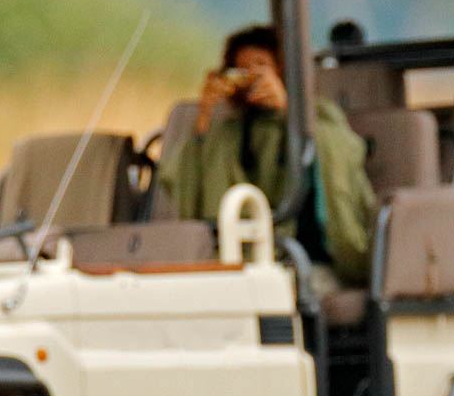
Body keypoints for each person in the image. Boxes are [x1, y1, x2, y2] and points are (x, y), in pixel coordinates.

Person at [160, 25, 375, 287]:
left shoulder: (316, 115)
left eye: (260, 66)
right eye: (242, 70)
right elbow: (186, 185)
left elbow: (339, 156)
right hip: (241, 256)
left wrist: (287, 109)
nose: (252, 78)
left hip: (306, 258)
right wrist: (204, 118)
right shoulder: (230, 131)